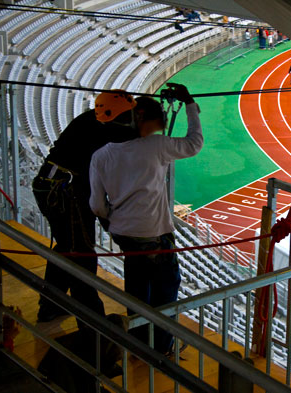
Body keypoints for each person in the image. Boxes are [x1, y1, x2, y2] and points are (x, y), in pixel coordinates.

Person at [89, 84, 202, 354]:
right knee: (166, 289)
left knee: (137, 287)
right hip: (154, 233)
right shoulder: (156, 145)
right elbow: (194, 143)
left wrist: (113, 222)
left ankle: (139, 342)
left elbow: (96, 205)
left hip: (124, 234)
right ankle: (161, 347)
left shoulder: (100, 155)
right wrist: (189, 104)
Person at [32, 91, 139, 323]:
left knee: (68, 247)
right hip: (66, 191)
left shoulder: (94, 120)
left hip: (56, 186)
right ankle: (93, 326)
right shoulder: (106, 130)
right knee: (81, 255)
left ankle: (50, 305)